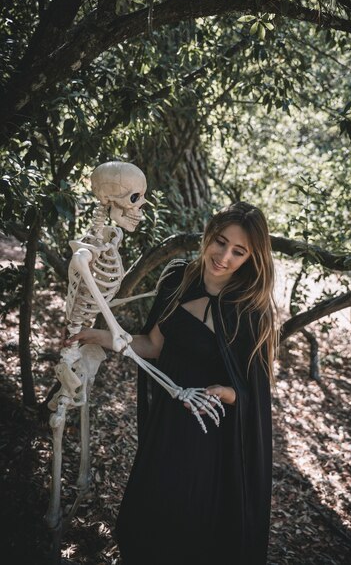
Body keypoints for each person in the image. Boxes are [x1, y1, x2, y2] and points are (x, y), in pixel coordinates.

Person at [68, 201, 278, 565]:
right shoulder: (178, 278)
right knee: (146, 517)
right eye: (221, 241)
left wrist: (226, 393)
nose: (224, 256)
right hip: (168, 421)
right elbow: (152, 345)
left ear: (251, 258)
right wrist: (99, 335)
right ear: (209, 235)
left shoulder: (250, 309)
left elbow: (253, 394)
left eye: (238, 251)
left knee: (187, 527)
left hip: (207, 435)